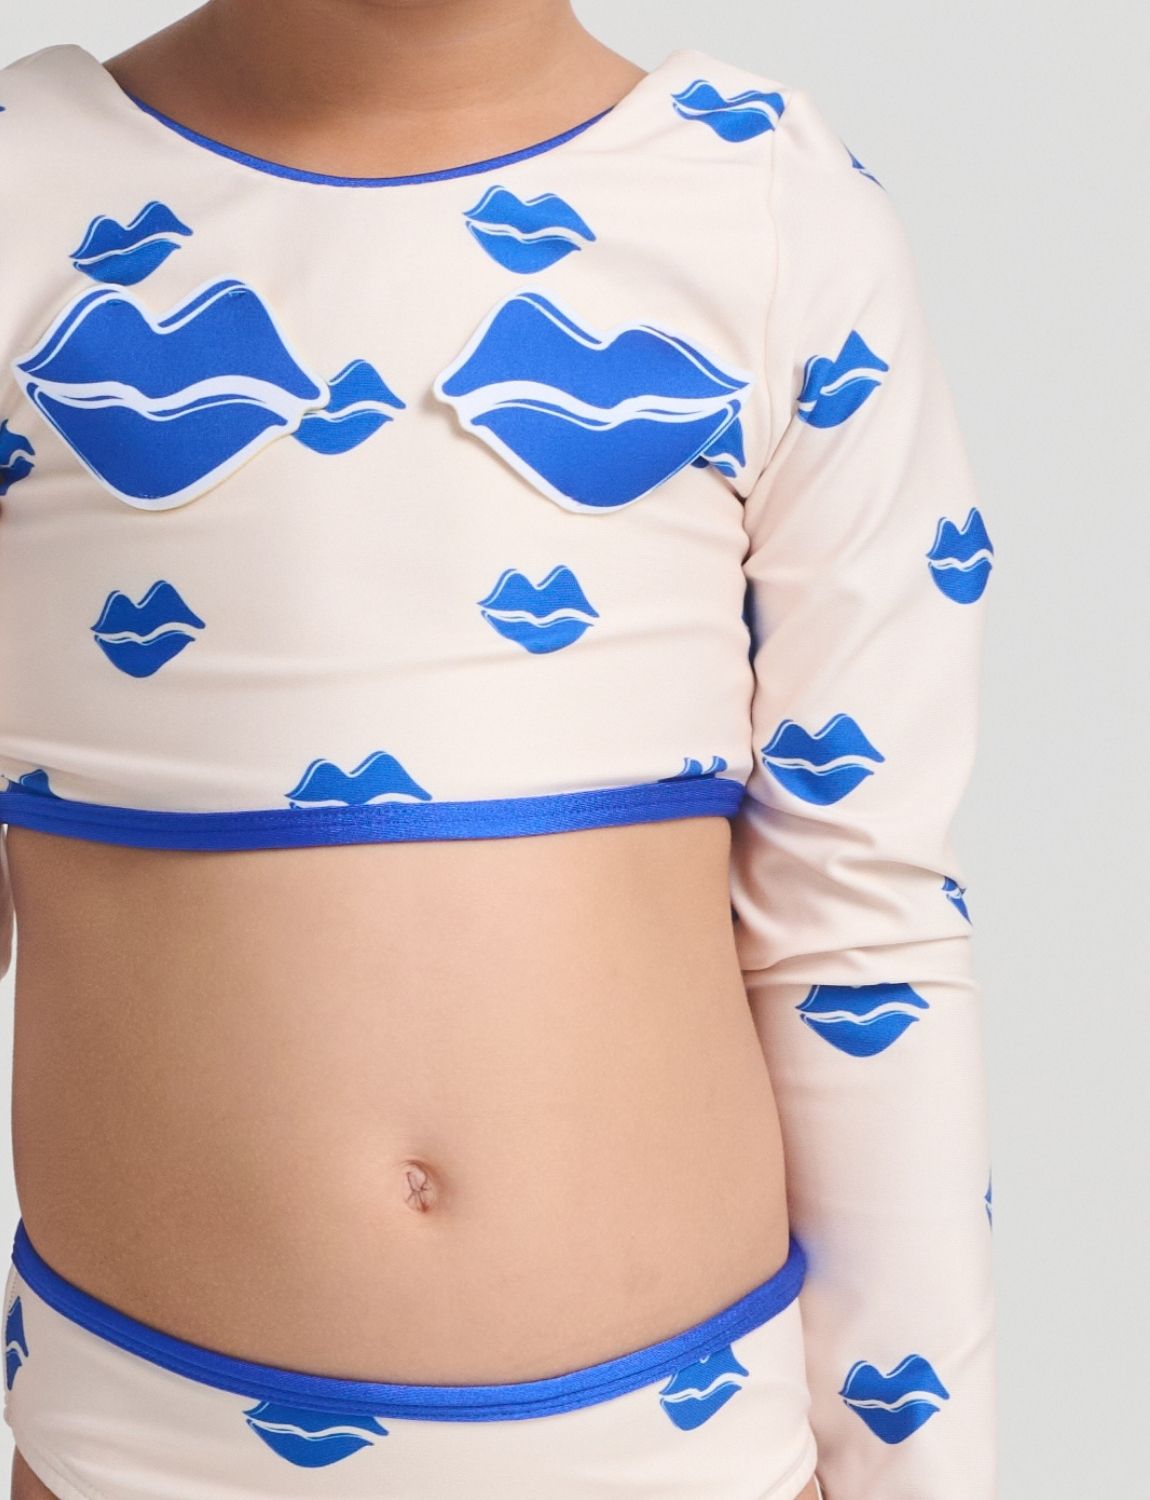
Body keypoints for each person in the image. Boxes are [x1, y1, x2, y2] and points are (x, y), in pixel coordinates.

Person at [0, 2, 997, 1496]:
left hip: (690, 1461)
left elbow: (862, 923)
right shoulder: (27, 189)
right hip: (141, 1457)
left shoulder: (768, 207)